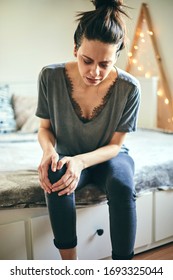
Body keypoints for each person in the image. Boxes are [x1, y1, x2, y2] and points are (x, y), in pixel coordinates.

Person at [36, 0, 141, 260]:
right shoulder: (49, 77)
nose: (95, 72)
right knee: (55, 175)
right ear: (75, 49)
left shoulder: (130, 88)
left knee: (122, 184)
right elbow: (44, 128)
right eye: (87, 60)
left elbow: (116, 145)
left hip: (110, 156)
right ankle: (71, 267)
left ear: (117, 57)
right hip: (68, 154)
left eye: (105, 64)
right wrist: (48, 151)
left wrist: (81, 162)